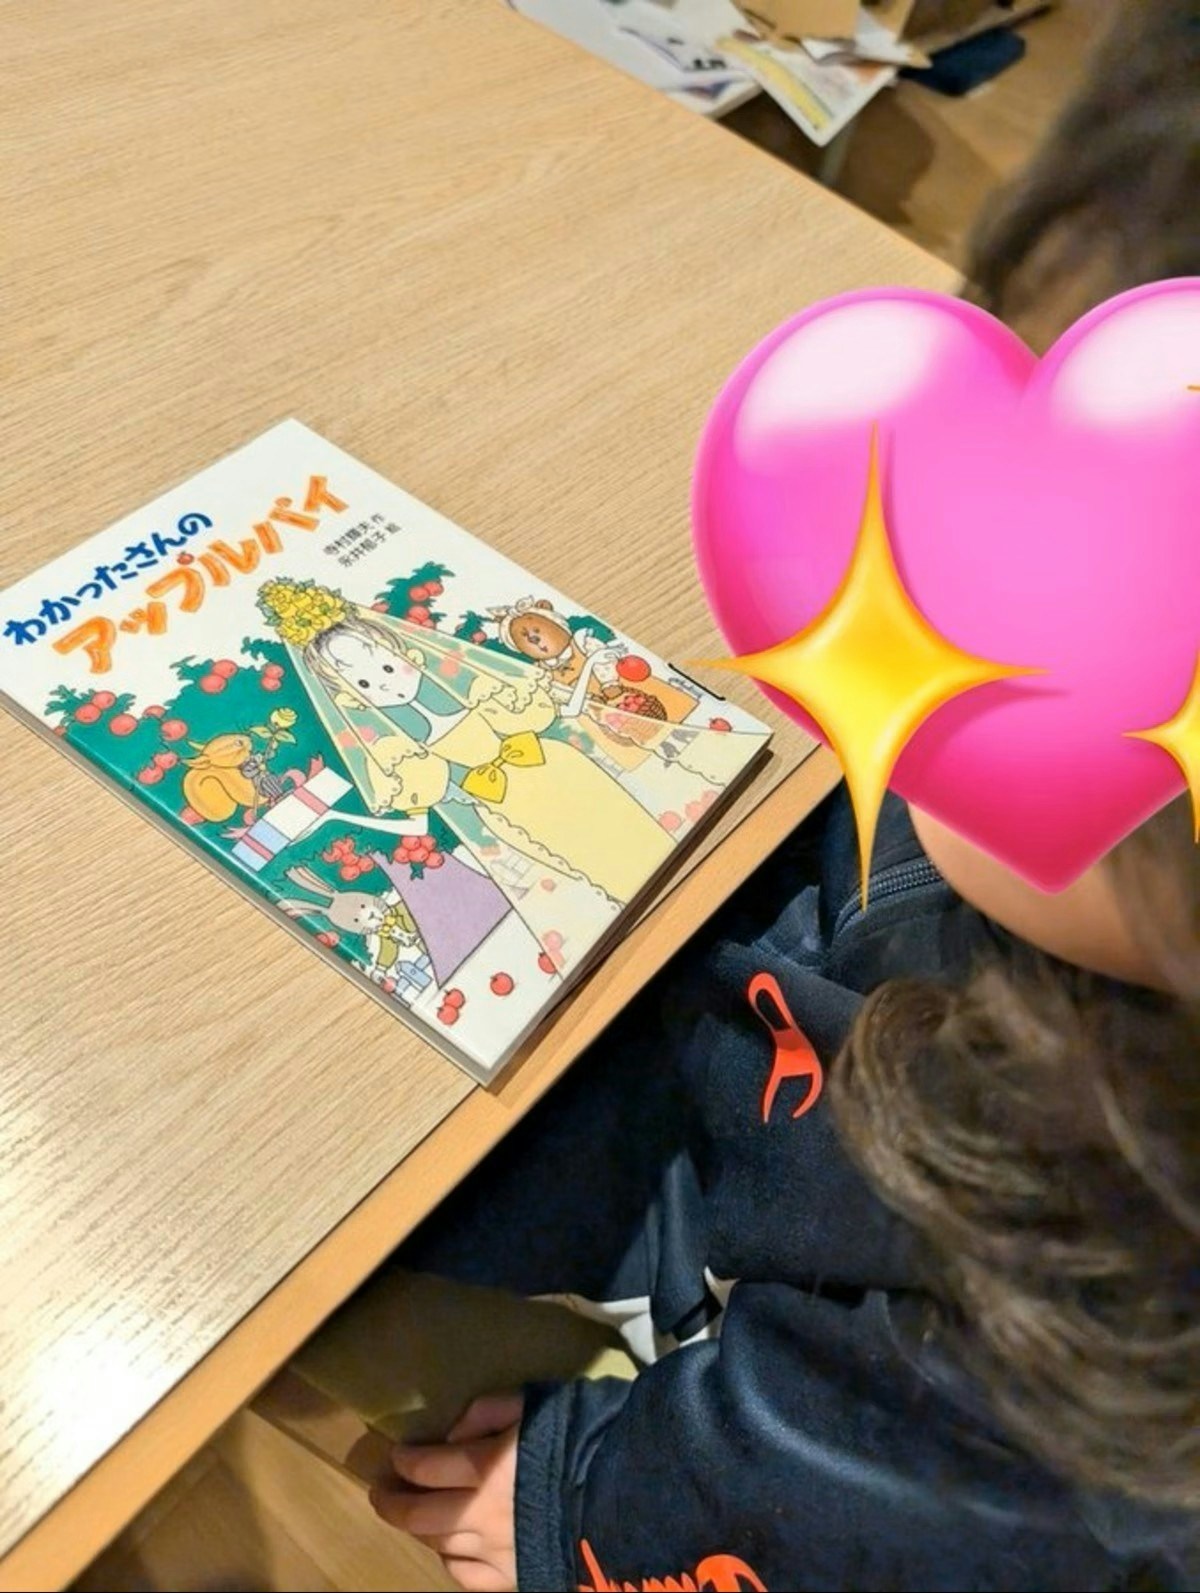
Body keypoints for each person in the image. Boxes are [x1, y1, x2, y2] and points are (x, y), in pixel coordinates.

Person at [358, 3, 1200, 1587]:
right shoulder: (1052, 871)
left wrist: (572, 1502)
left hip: (743, 1313)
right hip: (743, 1055)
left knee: (344, 1260)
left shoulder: (1084, 1319)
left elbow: (814, 1494)